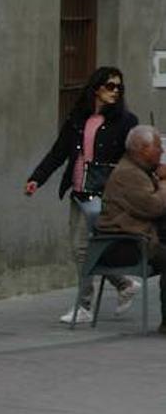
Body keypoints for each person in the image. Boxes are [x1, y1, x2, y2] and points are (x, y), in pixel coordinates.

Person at [26, 66, 141, 323]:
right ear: (96, 88)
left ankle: (85, 306)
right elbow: (59, 153)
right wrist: (36, 178)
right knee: (84, 249)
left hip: (105, 195)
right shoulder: (79, 119)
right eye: (110, 86)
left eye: (119, 88)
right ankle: (123, 284)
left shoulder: (126, 121)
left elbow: (131, 158)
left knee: (84, 249)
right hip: (79, 192)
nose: (115, 92)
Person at [96, 125, 166, 331]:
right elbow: (154, 207)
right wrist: (163, 182)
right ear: (142, 149)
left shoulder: (139, 171)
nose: (161, 152)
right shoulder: (129, 174)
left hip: (136, 237)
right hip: (122, 244)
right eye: (158, 147)